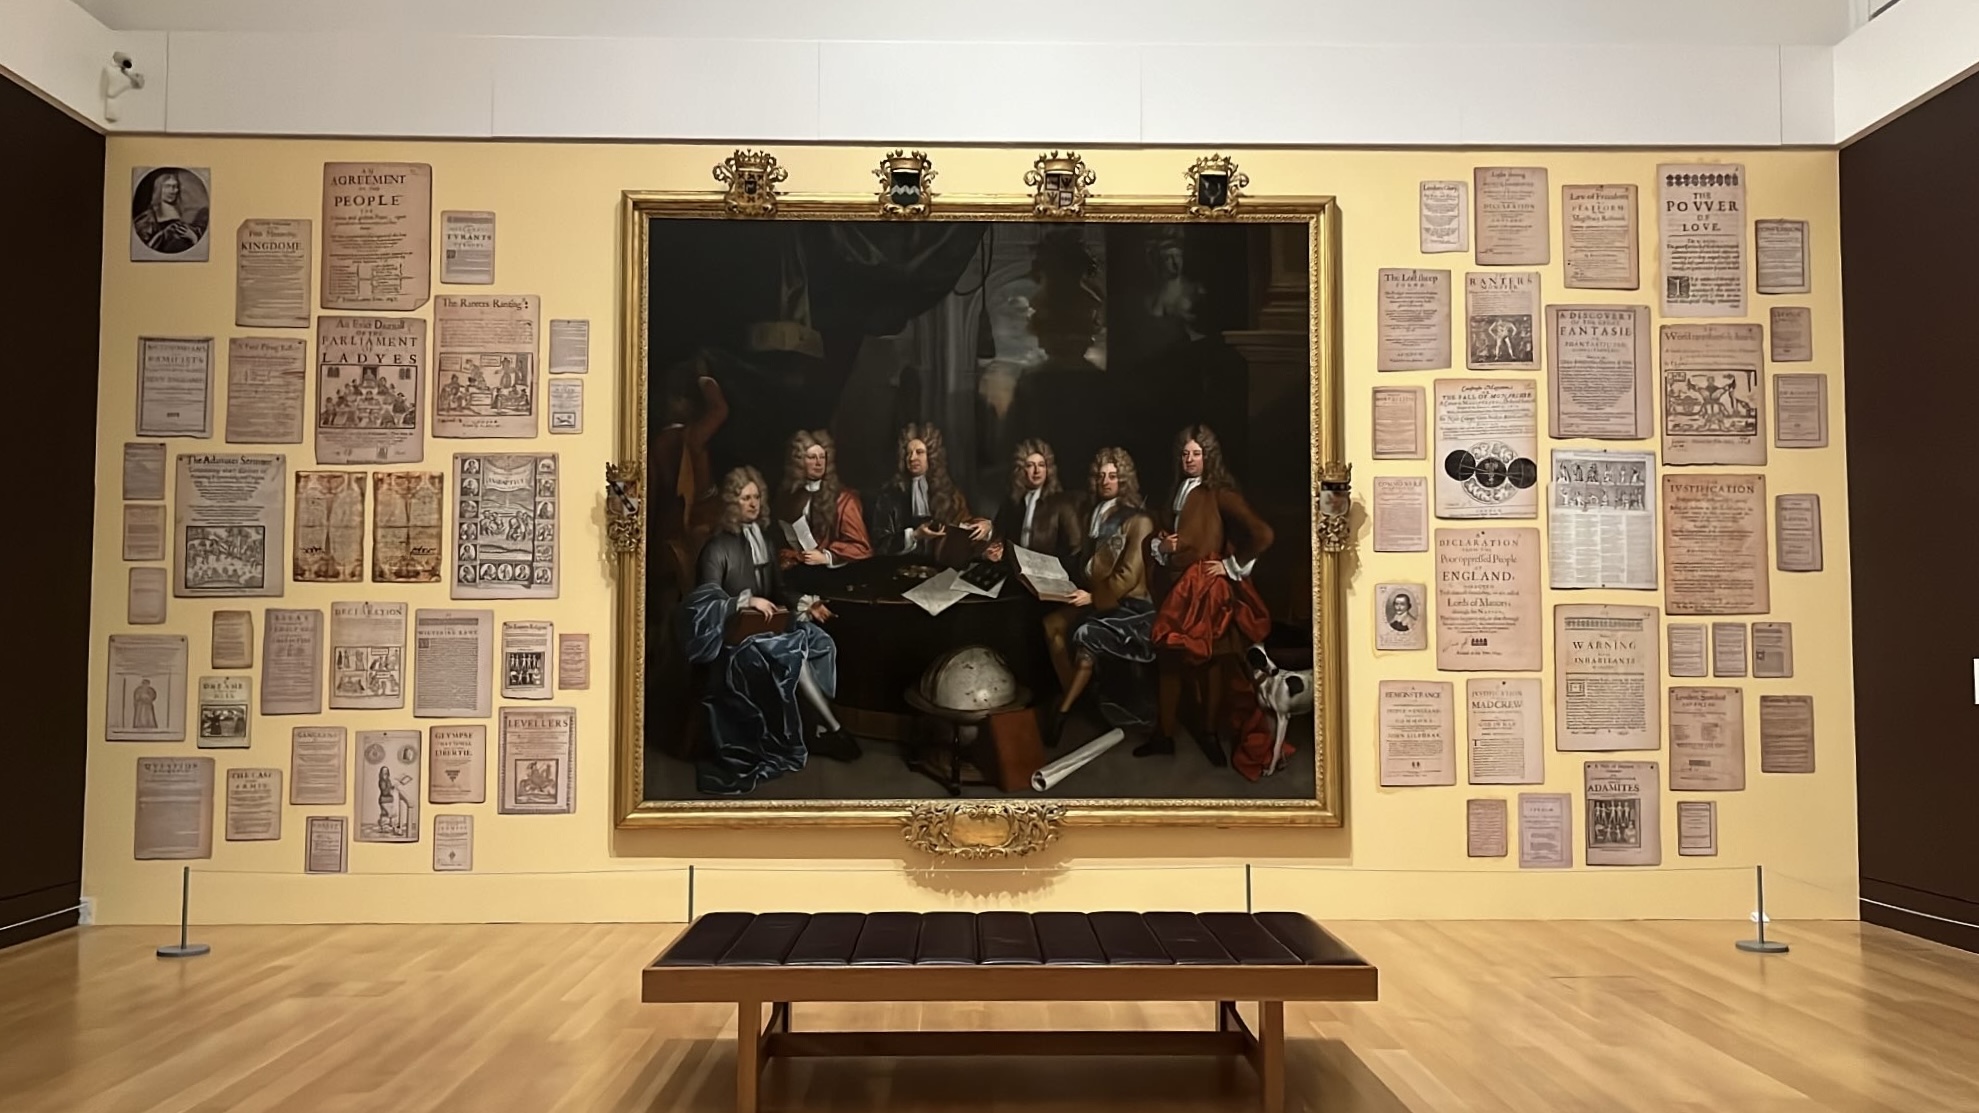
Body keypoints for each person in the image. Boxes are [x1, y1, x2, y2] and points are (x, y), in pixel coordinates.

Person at [678, 467, 859, 795]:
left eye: (756, 496)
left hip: (768, 630)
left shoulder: (764, 539)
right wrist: (745, 600)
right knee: (793, 652)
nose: (752, 503)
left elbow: (779, 590)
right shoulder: (718, 546)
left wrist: (807, 605)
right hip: (732, 640)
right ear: (732, 503)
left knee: (820, 641)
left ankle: (814, 727)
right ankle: (833, 728)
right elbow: (704, 599)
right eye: (744, 498)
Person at [1142, 424, 1274, 767]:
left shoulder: (1220, 493)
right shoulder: (1175, 491)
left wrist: (1230, 566)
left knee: (1211, 662)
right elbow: (1160, 534)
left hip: (1206, 591)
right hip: (1174, 588)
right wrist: (1160, 545)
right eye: (1185, 453)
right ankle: (1164, 736)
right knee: (1169, 659)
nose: (1190, 459)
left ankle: (1210, 734)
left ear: (1208, 456)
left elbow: (1262, 534)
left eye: (1197, 454)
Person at [1040, 447, 1157, 742]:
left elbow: (1127, 576)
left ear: (1124, 480)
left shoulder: (1139, 521)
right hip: (1096, 596)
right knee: (1051, 625)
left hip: (1130, 606)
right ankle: (1079, 696)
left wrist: (1092, 599)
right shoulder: (1093, 515)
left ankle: (1063, 712)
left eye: (1113, 476)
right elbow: (1088, 565)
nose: (1106, 481)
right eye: (1101, 475)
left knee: (1085, 635)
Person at [867, 422, 990, 565]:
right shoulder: (889, 496)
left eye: (919, 452)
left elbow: (963, 529)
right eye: (908, 453)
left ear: (931, 456)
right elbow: (880, 545)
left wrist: (985, 527)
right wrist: (914, 536)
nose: (912, 458)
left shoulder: (949, 493)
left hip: (940, 570)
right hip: (899, 569)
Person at [773, 429, 872, 570]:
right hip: (798, 574)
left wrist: (826, 557)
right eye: (812, 457)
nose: (819, 463)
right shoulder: (789, 496)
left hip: (836, 576)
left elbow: (862, 547)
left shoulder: (845, 500)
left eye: (822, 457)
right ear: (799, 461)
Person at [985, 438, 1083, 563]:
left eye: (1041, 465)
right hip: (1015, 573)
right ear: (1020, 470)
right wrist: (997, 551)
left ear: (1048, 469)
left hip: (1048, 576)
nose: (1037, 471)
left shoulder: (1062, 505)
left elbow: (1075, 549)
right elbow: (999, 538)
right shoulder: (1011, 505)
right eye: (1030, 465)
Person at [132, 169, 207, 255]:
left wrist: (193, 237)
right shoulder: (147, 218)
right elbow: (143, 251)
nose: (173, 191)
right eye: (168, 186)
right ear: (159, 189)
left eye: (175, 186)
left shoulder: (186, 214)